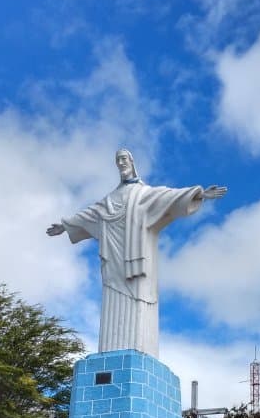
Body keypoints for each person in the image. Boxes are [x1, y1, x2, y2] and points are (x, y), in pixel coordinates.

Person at [47, 149, 227, 357]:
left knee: (141, 304)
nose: (121, 163)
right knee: (112, 302)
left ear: (132, 162)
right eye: (117, 160)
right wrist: (64, 225)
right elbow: (89, 214)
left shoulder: (143, 193)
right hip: (114, 263)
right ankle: (110, 352)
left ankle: (138, 350)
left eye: (124, 159)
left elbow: (169, 196)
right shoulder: (110, 199)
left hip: (137, 262)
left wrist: (200, 194)